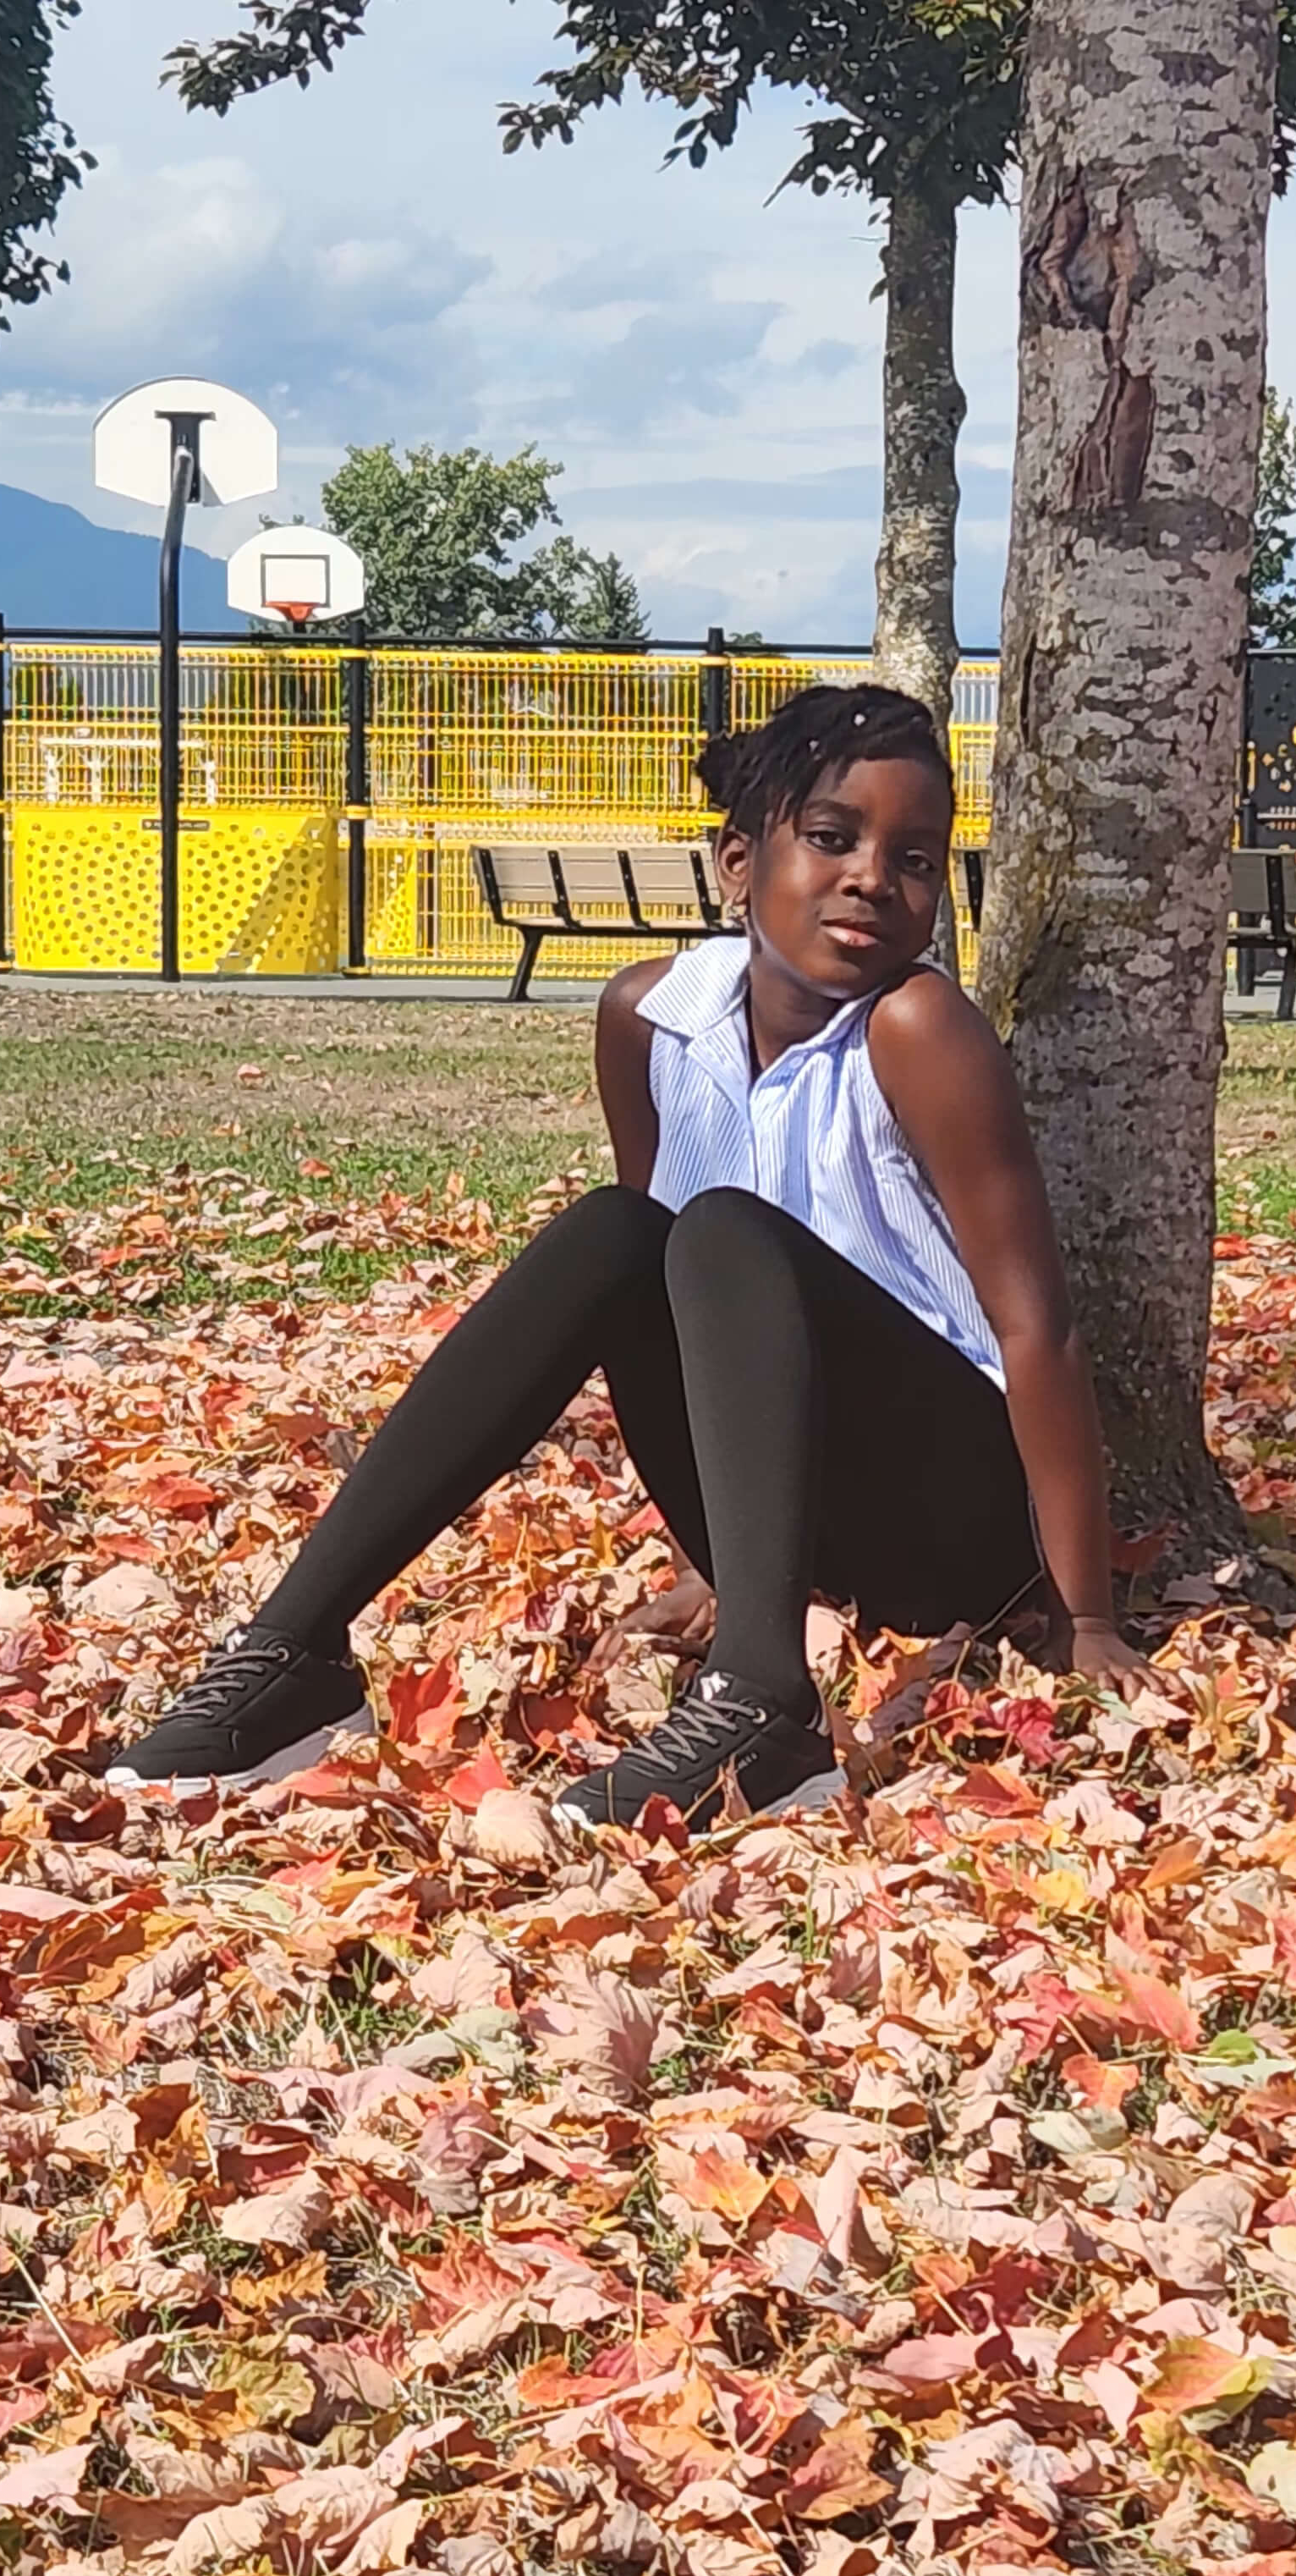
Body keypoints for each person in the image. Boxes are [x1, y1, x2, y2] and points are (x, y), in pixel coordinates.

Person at [107, 682, 1149, 1828]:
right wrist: (734, 1554)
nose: (873, 880)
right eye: (832, 839)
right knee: (621, 1227)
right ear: (738, 864)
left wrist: (1086, 1616)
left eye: (914, 859)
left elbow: (1035, 1328)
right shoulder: (649, 1016)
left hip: (959, 1515)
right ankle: (294, 1647)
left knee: (723, 1226)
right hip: (813, 1523)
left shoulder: (916, 1027)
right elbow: (662, 1304)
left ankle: (762, 1705)